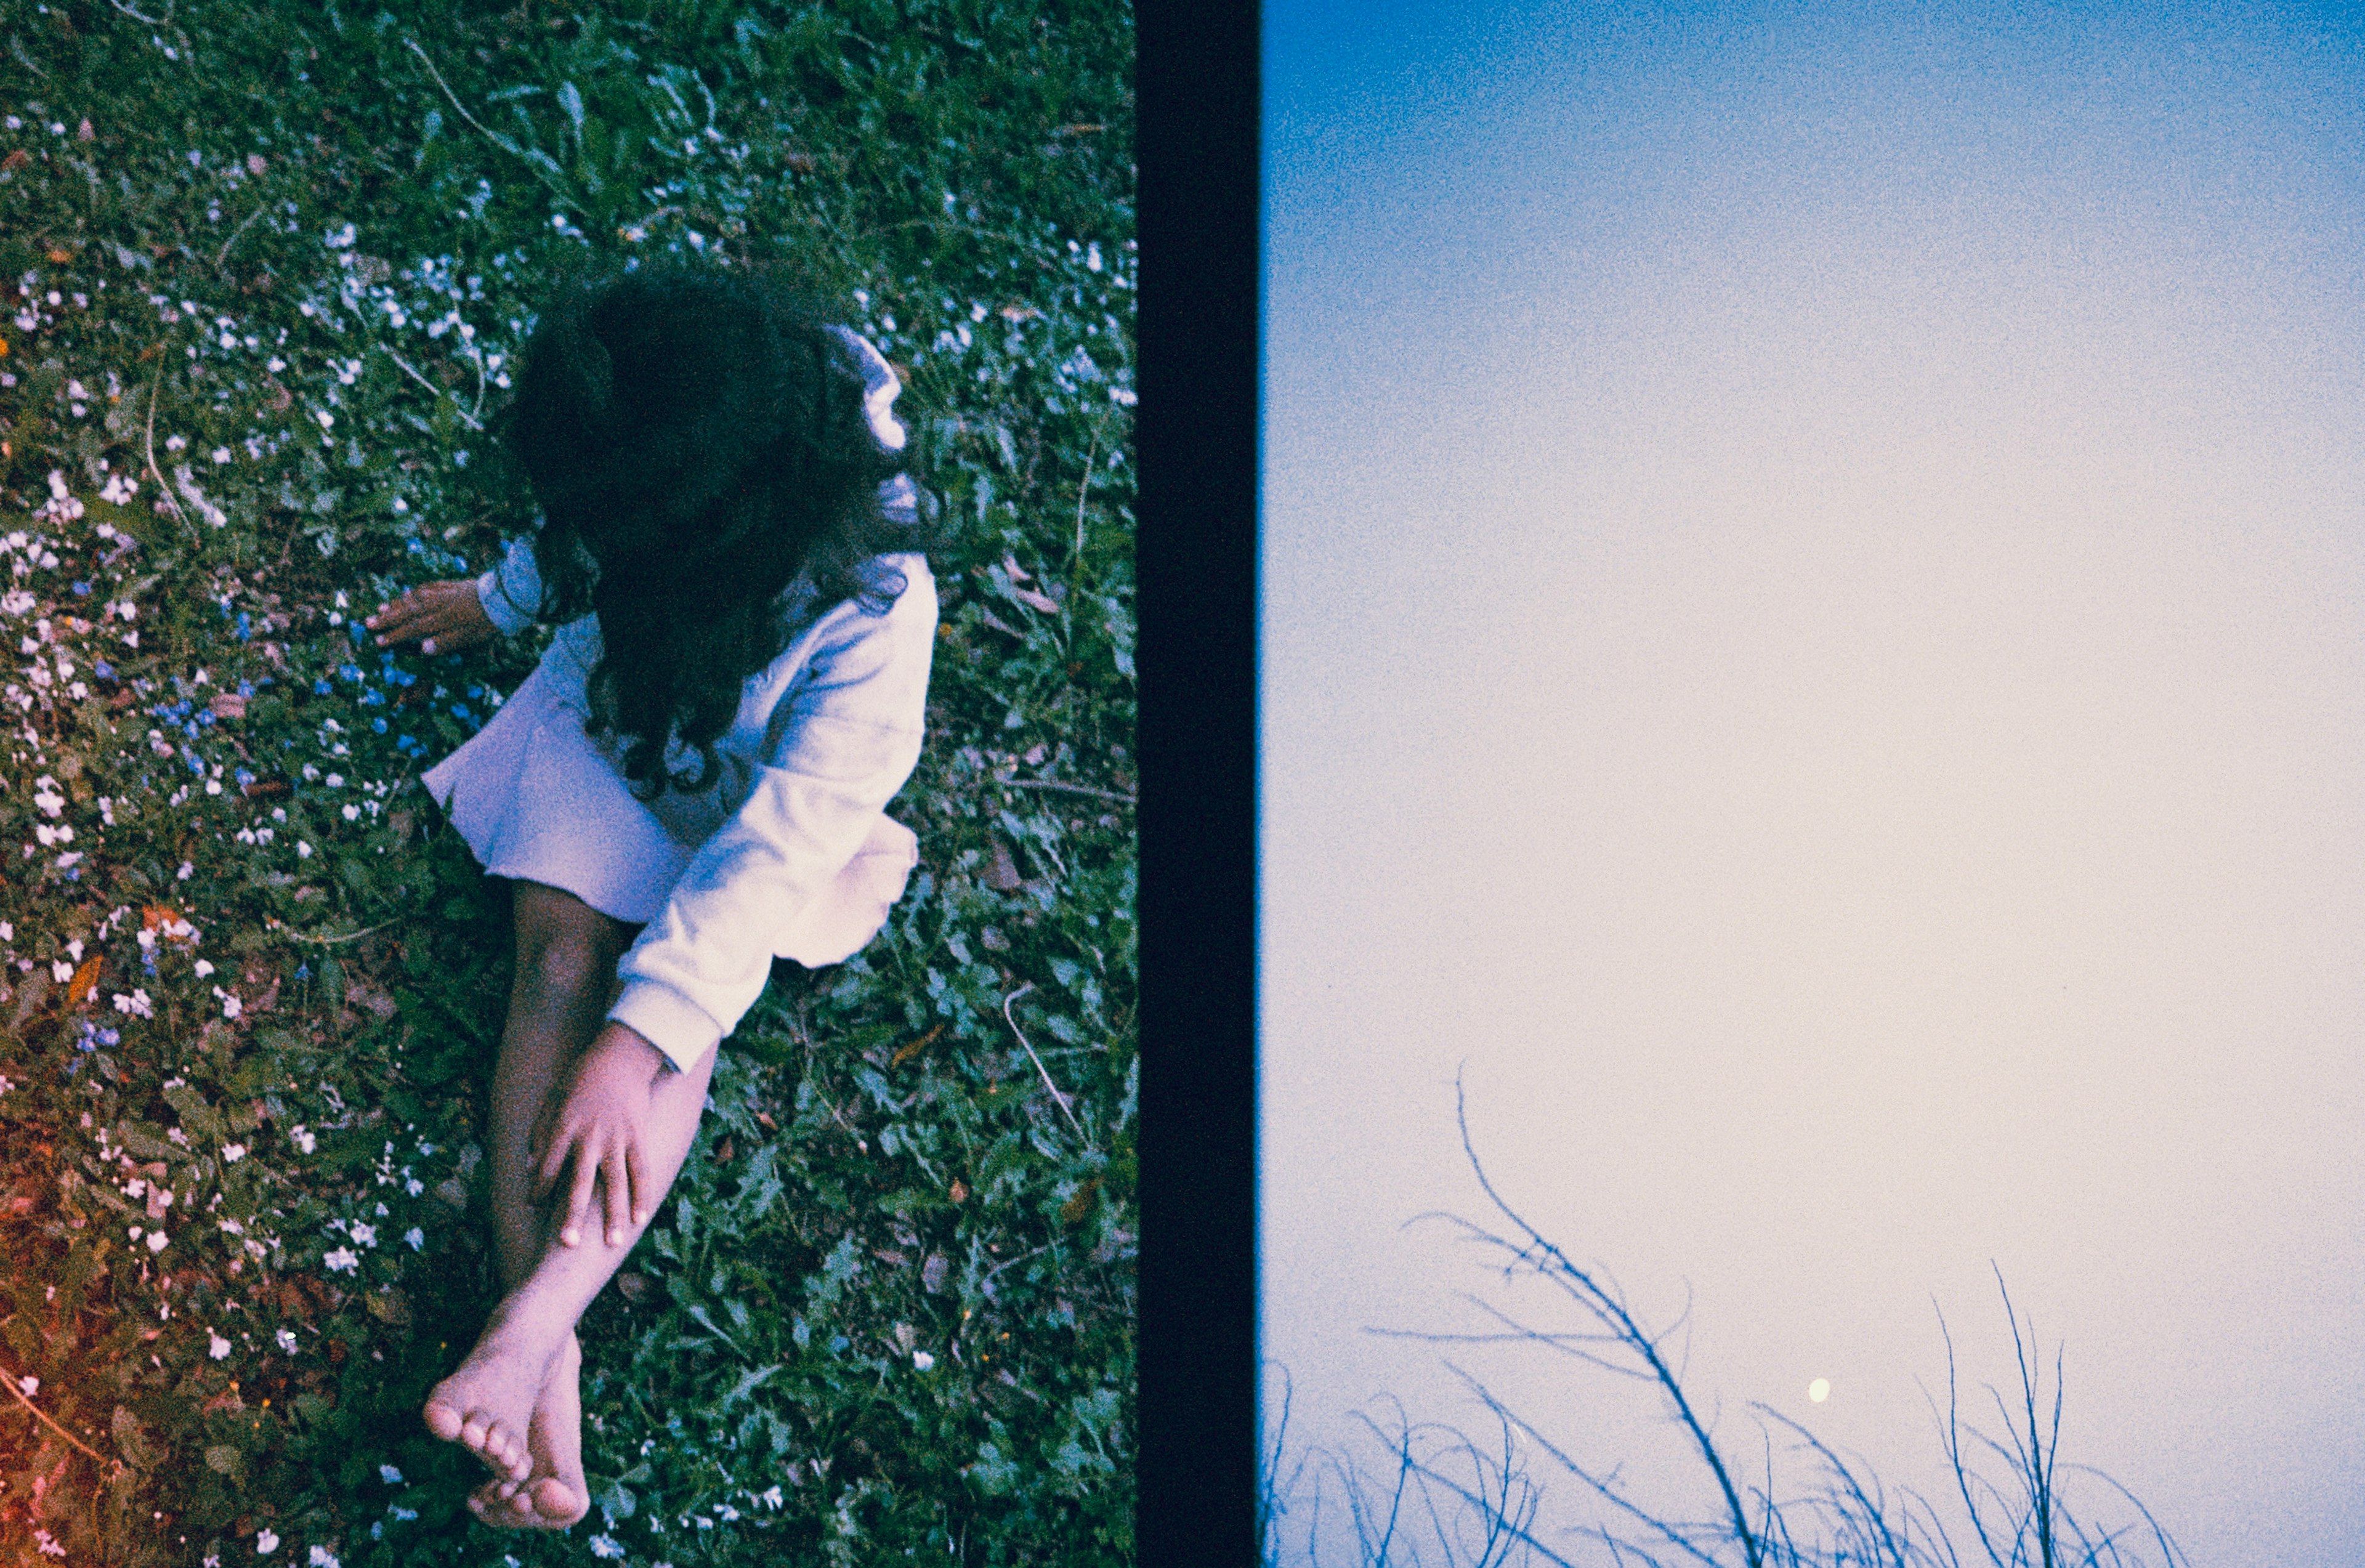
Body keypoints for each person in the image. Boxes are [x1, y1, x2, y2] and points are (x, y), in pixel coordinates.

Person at [362, 257, 939, 1528]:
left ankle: (531, 1336)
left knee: (661, 1031)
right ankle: (534, 1348)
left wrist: (640, 1039)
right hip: (624, 716)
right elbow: (585, 533)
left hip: (745, 808)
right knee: (556, 964)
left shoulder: (874, 625)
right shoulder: (679, 405)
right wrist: (505, 596)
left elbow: (768, 863)